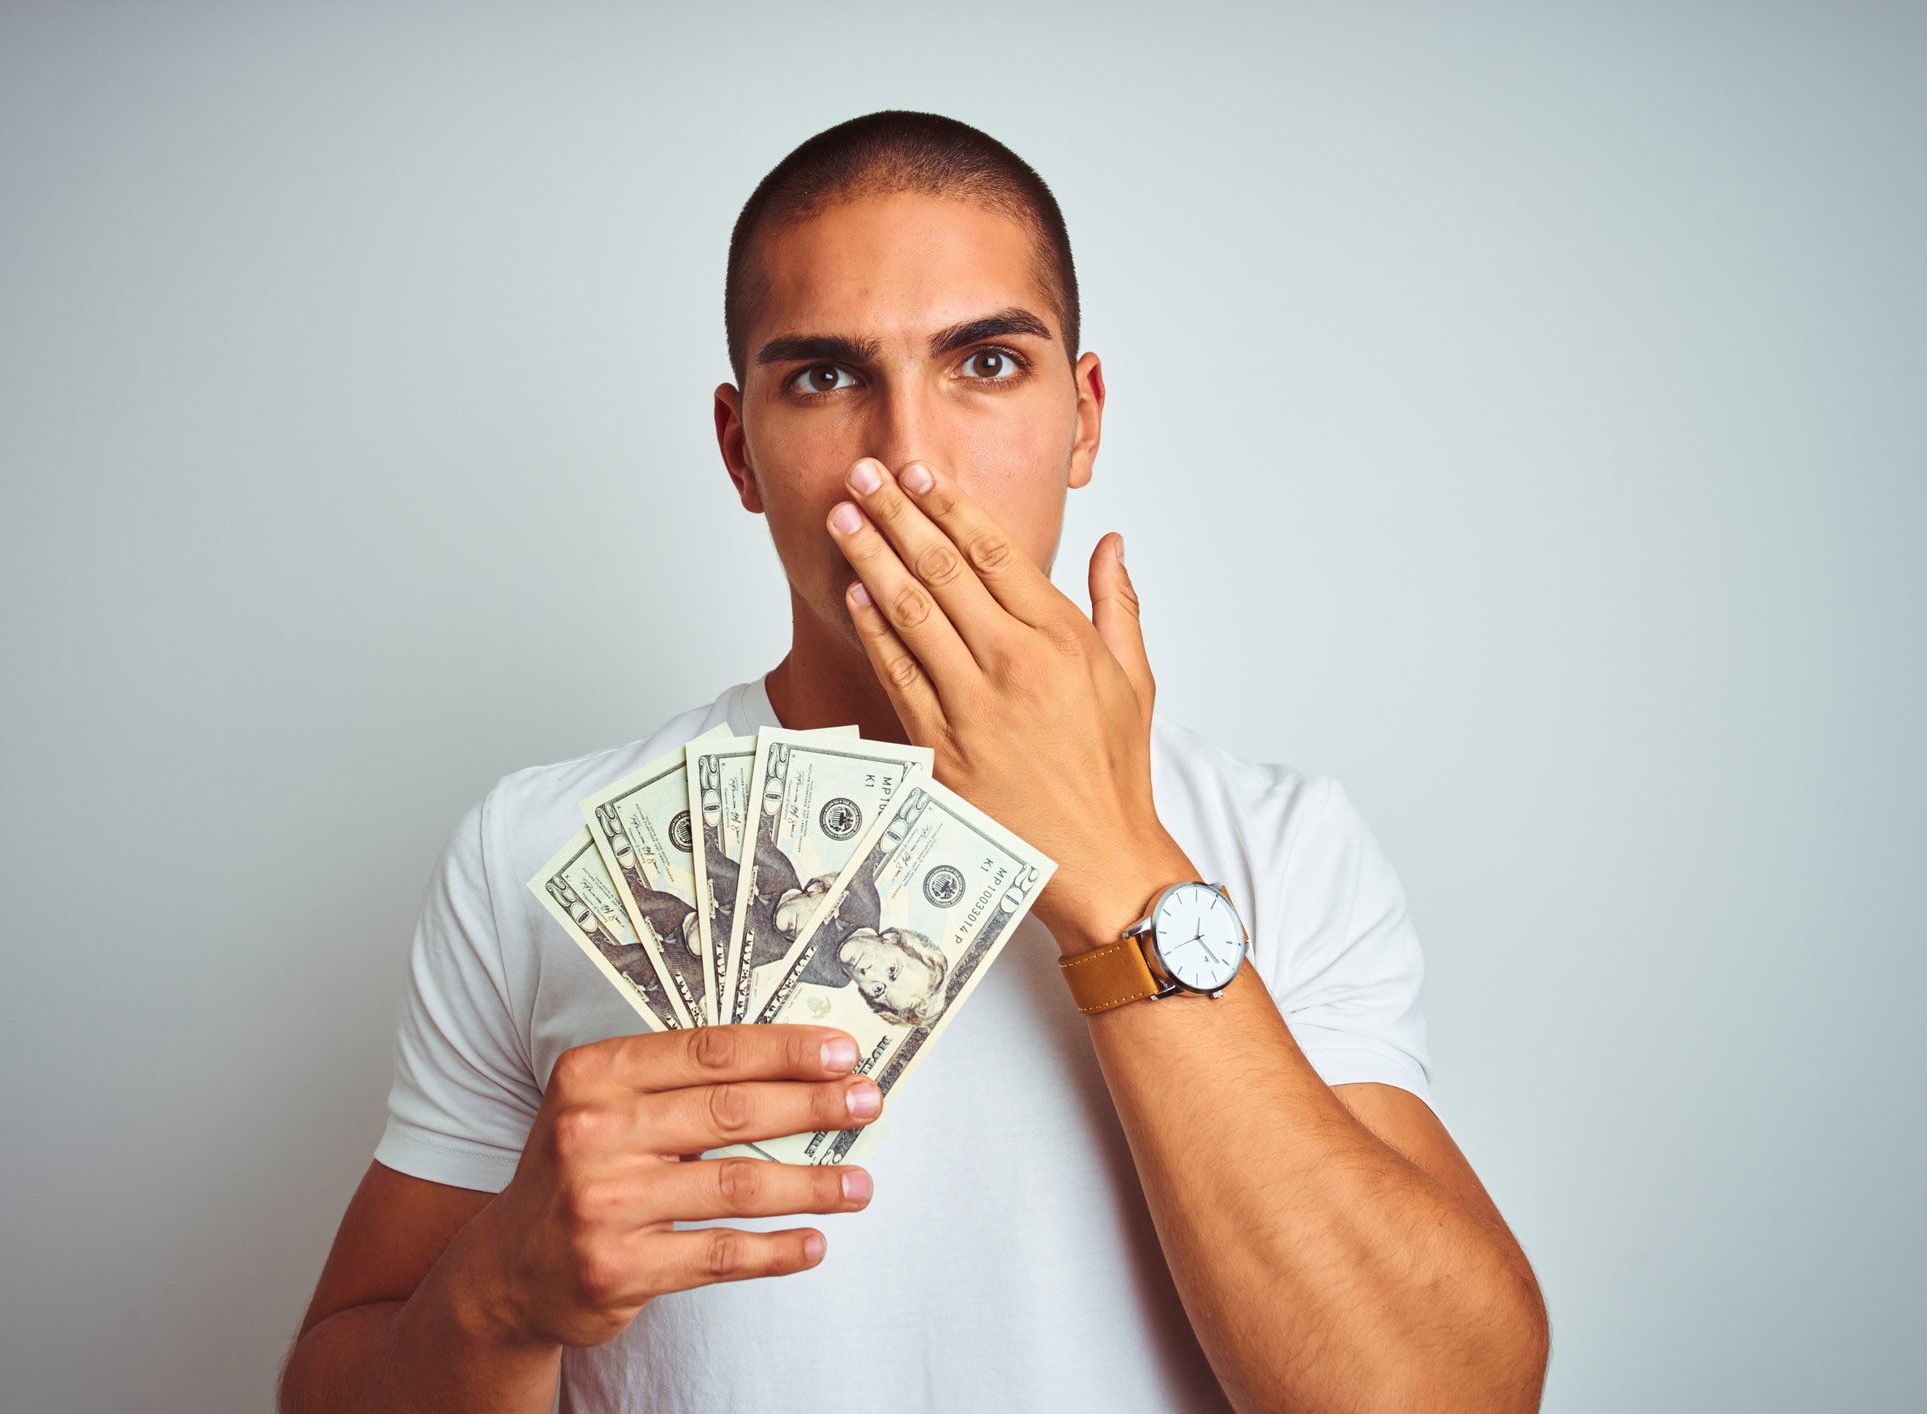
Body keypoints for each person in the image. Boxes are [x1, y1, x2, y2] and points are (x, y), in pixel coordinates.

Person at [279, 110, 1549, 1413]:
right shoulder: (536, 848)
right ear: (739, 450)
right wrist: (500, 1296)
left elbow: (1452, 1396)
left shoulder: (1282, 844)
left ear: (1085, 416)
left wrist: (1120, 872)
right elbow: (327, 1382)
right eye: (825, 377)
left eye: (987, 361)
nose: (911, 457)